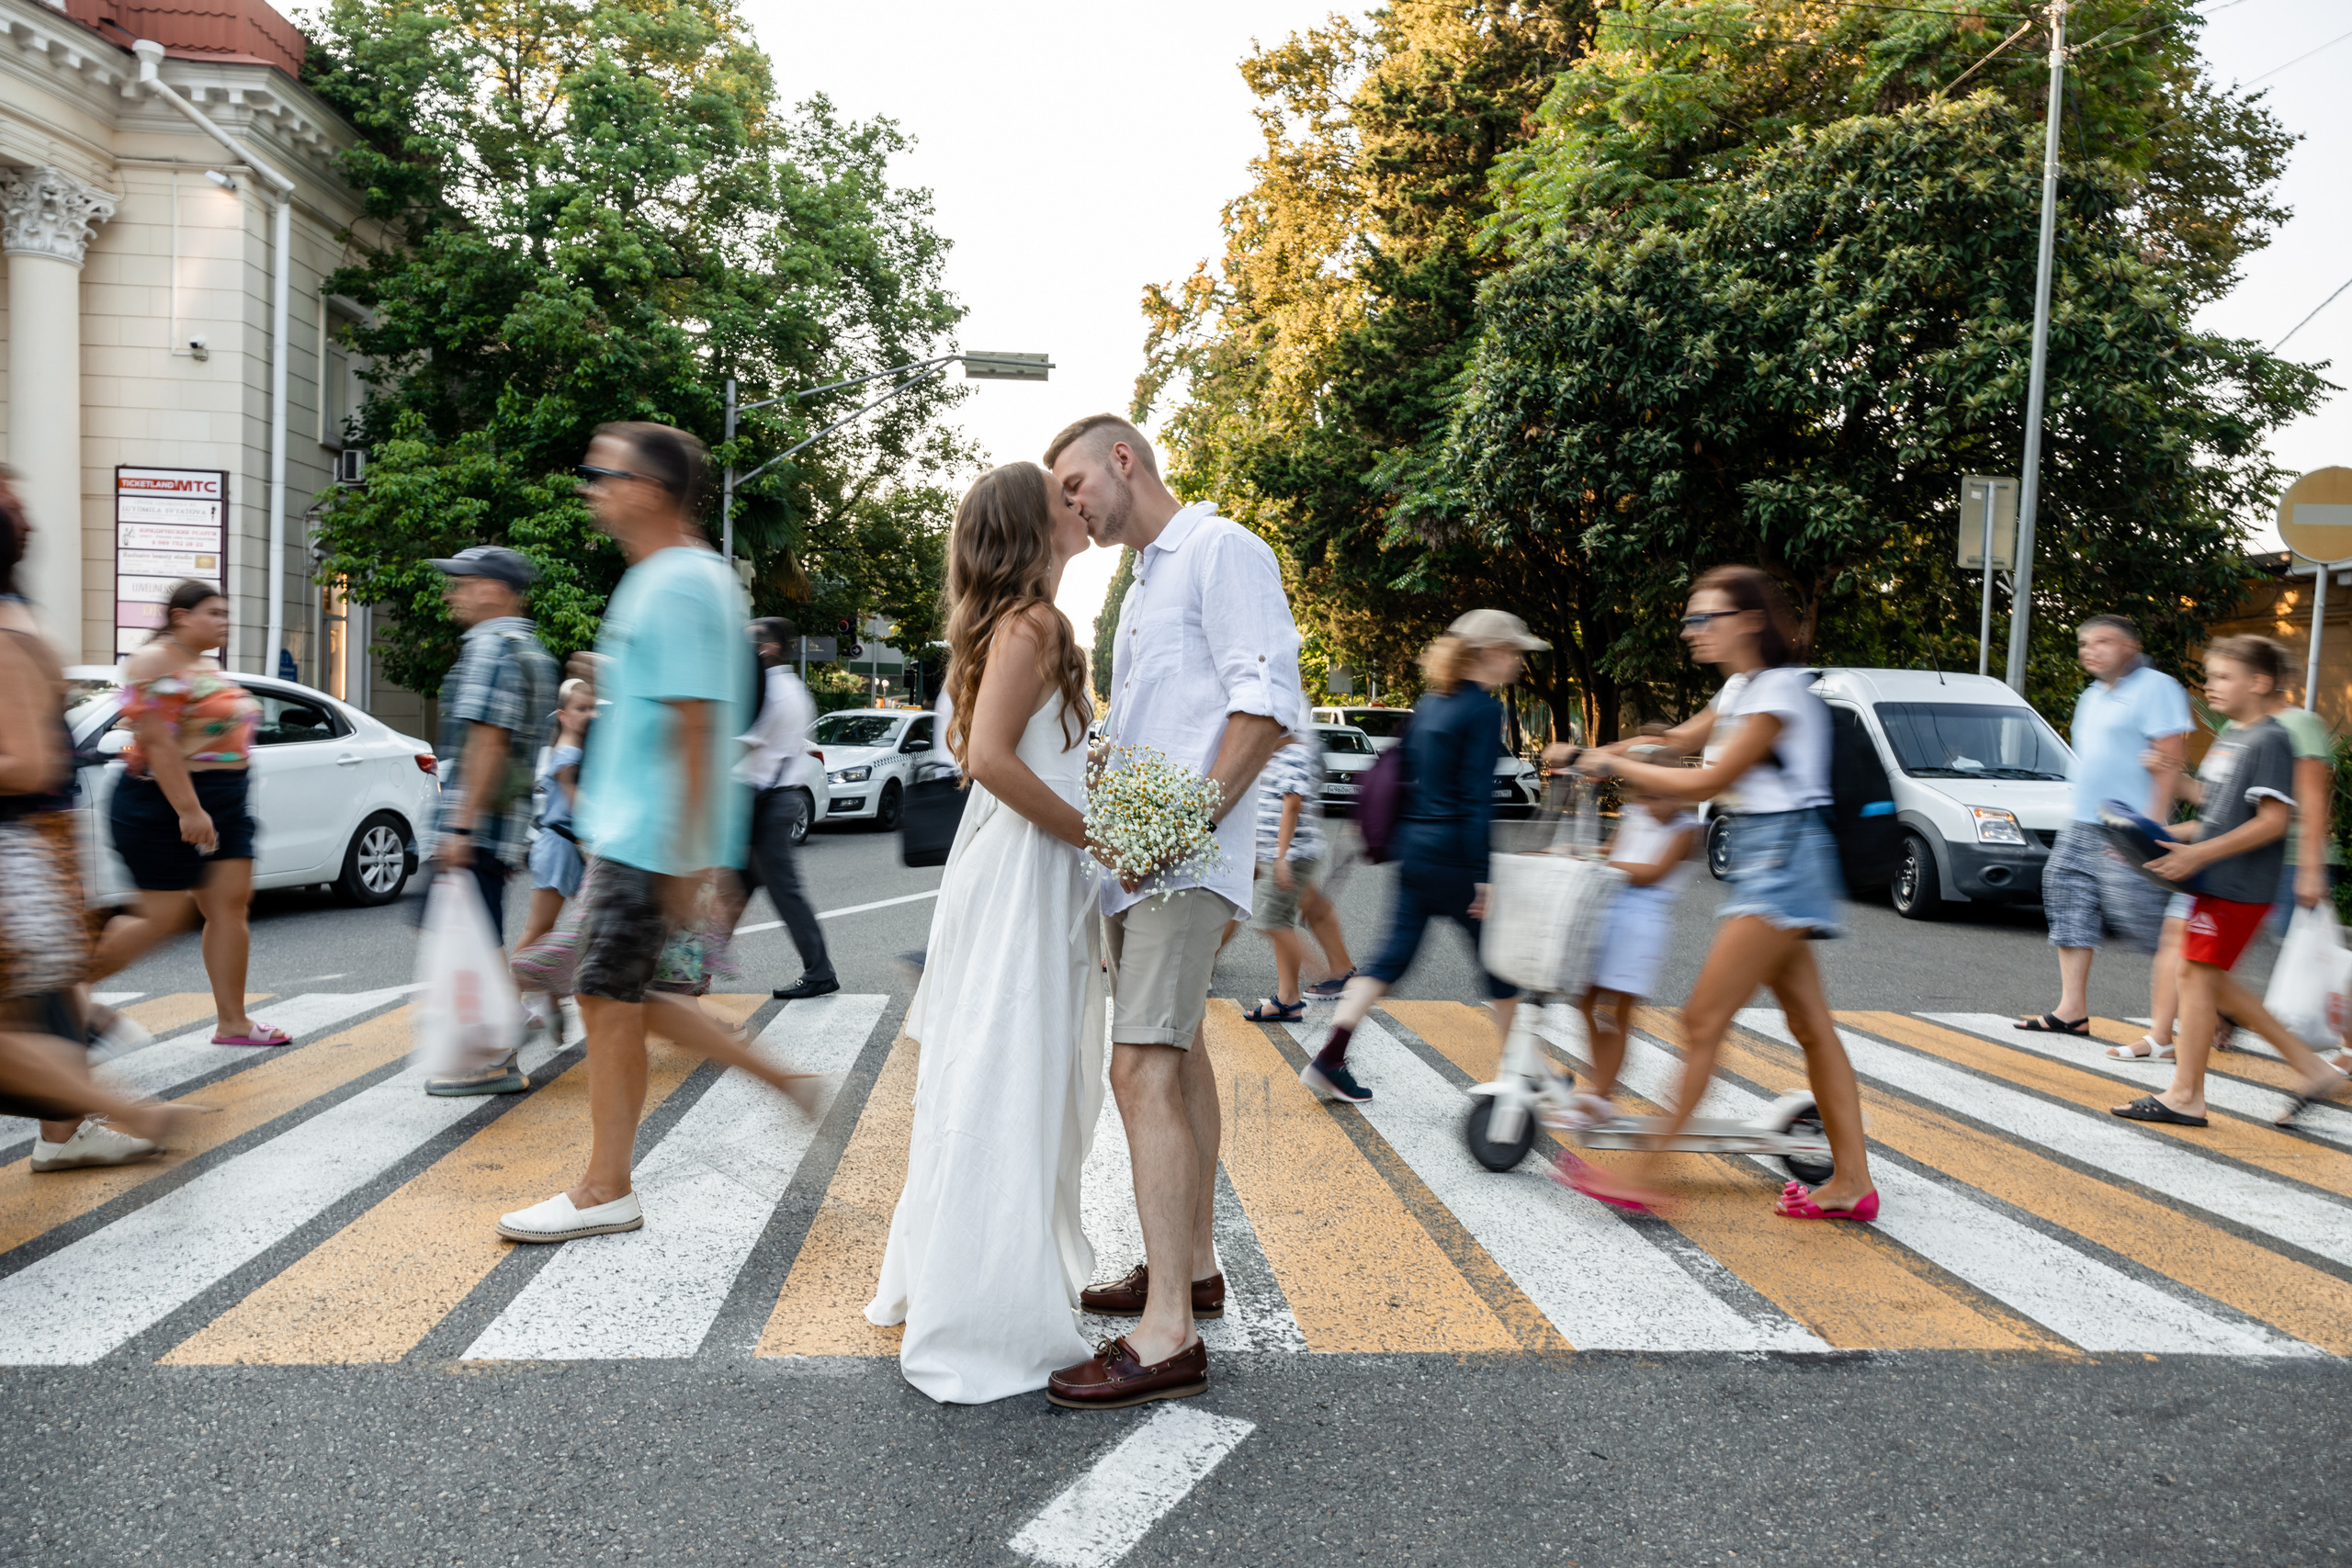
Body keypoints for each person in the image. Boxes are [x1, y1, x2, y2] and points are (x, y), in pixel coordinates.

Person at [495, 423, 818, 1245]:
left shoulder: (674, 583)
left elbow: (692, 723)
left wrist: (686, 859)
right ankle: (777, 1083)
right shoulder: (684, 576)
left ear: (651, 489)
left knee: (607, 996)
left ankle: (605, 1186)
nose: (590, 486)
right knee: (629, 997)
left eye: (603, 472)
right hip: (641, 831)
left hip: (649, 836)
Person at [1047, 413, 1296, 1412]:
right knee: (1177, 1051)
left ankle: (1165, 1337)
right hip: (1140, 861)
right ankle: (1186, 1272)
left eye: (1073, 484)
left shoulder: (1219, 547)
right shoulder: (1143, 579)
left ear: (1123, 458)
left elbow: (1265, 702)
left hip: (1180, 858)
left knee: (1138, 1061)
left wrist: (1185, 827)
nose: (1068, 505)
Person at [864, 461, 1103, 1403]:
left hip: (1019, 867)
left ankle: (971, 1282)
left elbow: (999, 754)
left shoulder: (1020, 625)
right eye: (1061, 500)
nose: (1078, 508)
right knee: (1009, 1079)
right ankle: (987, 1312)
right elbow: (994, 761)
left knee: (1003, 1073)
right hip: (1021, 874)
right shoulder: (1032, 625)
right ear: (1028, 527)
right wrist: (1098, 837)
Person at [1550, 566, 1877, 1221]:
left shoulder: (1780, 692)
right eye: (1690, 619)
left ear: (1750, 620)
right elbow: (1672, 741)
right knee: (1811, 1028)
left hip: (1785, 856)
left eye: (1706, 618)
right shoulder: (1739, 690)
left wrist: (1608, 763)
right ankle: (1853, 1182)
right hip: (1765, 854)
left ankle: (1645, 1176)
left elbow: (1707, 780)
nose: (1692, 631)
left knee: (1701, 1020)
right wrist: (1593, 750)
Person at [0, 479, 187, 1168]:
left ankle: (125, 1106)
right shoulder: (17, 623)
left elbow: (25, 762)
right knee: (27, 1017)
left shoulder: (5, 636)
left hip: (12, 852)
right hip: (27, 851)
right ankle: (88, 1069)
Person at [1301, 610, 1544, 1105]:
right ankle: (1524, 1070)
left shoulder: (1431, 702)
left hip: (1415, 853)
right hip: (1456, 858)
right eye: (1514, 651)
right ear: (1491, 653)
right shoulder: (1482, 710)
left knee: (1390, 960)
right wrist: (1482, 877)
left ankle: (1330, 1057)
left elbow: (1400, 770)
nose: (1518, 661)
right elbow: (1475, 798)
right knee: (1498, 961)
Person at [2111, 636, 2352, 1129]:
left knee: (2198, 976)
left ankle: (2188, 1095)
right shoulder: (2234, 737)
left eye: (2223, 677)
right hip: (2217, 881)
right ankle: (2298, 1069)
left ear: (2260, 682)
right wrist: (2150, 839)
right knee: (2197, 976)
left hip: (2240, 886)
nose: (2209, 685)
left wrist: (2196, 853)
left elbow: (2271, 822)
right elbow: (2216, 818)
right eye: (2210, 676)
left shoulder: (2270, 739)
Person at [85, 581, 281, 1047]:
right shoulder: (153, 662)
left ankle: (233, 1021)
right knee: (163, 917)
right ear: (180, 617)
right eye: (214, 613)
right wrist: (189, 810)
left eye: (225, 613)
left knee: (230, 906)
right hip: (163, 801)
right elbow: (157, 744)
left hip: (227, 798)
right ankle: (57, 995)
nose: (223, 621)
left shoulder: (205, 665)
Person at [421, 546, 558, 1096]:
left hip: (478, 826)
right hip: (503, 824)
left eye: (464, 581)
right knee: (479, 930)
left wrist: (457, 827)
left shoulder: (493, 650)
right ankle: (507, 1024)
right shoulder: (529, 649)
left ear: (496, 590)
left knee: (470, 934)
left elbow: (488, 742)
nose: (454, 592)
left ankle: (496, 1051)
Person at [2017, 615, 2189, 1037]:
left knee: (2143, 922)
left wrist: (2148, 828)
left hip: (2128, 826)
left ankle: (2215, 1004)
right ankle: (2071, 1011)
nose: (2089, 650)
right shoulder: (2092, 694)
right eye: (2084, 643)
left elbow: (2169, 763)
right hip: (2081, 820)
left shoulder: (2157, 687)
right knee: (2066, 901)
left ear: (2131, 646)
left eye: (2102, 642)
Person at [1565, 741, 1701, 1127]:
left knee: (1620, 1012)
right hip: (1609, 915)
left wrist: (1600, 860)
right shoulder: (1635, 814)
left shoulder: (1685, 830)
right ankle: (1599, 1082)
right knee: (1585, 1000)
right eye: (1646, 795)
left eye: (1663, 795)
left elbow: (1652, 872)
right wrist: (1582, 855)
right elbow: (1605, 851)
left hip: (1644, 925)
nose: (1652, 804)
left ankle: (1601, 1095)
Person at [737, 616, 836, 1000]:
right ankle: (696, 972)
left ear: (770, 647)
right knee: (736, 891)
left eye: (752, 642)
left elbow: (742, 745)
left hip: (764, 803)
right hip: (774, 800)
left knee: (779, 892)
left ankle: (820, 971)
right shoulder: (794, 688)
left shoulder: (770, 692)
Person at [1238, 725, 1353, 1022]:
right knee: (1280, 922)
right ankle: (1288, 999)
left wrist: (1281, 857)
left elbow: (1293, 804)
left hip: (1293, 856)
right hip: (1280, 855)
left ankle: (1325, 972)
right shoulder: (1275, 757)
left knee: (1268, 921)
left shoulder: (1294, 754)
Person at [509, 675, 594, 1045]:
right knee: (538, 930)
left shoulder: (570, 748)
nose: (588, 714)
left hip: (566, 849)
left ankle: (553, 996)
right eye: (580, 708)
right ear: (562, 714)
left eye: (592, 707)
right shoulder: (568, 754)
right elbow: (576, 801)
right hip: (558, 847)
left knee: (583, 929)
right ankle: (506, 1001)